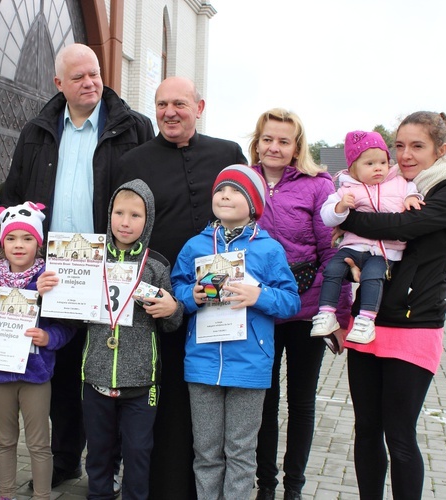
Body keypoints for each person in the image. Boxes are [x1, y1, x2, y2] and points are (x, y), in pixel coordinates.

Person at [0, 42, 154, 489]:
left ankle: (114, 464)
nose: (90, 82)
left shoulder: (132, 127)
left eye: (95, 73)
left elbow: (146, 197)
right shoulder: (38, 130)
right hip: (53, 270)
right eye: (79, 76)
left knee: (114, 364)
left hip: (110, 266)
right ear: (59, 84)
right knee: (62, 364)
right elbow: (13, 193)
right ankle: (65, 460)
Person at [112, 76, 247, 500]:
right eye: (162, 104)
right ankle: (166, 488)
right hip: (160, 300)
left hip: (219, 301)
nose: (170, 112)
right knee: (167, 398)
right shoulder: (133, 160)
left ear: (199, 106)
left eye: (180, 104)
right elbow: (118, 225)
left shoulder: (227, 154)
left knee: (213, 397)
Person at [339, 112, 446, 498]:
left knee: (399, 436)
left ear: (442, 149)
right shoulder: (393, 186)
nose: (405, 155)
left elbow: (400, 228)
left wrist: (347, 217)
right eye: (398, 145)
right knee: (366, 429)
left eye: (417, 146)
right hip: (369, 320)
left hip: (416, 326)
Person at [172, 165, 300, 499]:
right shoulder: (194, 246)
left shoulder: (269, 249)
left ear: (255, 202)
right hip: (202, 364)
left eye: (236, 191)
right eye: (220, 190)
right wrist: (191, 296)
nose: (225, 195)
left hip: (249, 366)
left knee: (241, 454)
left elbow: (290, 302)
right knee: (207, 453)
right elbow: (177, 289)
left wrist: (260, 296)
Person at [51, 179, 183, 499]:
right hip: (95, 376)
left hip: (141, 383)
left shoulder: (156, 266)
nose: (125, 222)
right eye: (119, 213)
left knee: (138, 454)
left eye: (135, 215)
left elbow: (173, 323)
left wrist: (172, 309)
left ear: (148, 219)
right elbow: (69, 315)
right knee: (98, 452)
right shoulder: (88, 258)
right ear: (109, 214)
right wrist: (54, 291)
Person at [248, 108, 351, 500]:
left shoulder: (317, 186)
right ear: (257, 142)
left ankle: (294, 486)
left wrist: (339, 315)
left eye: (283, 141)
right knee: (264, 399)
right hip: (260, 310)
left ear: (296, 147)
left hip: (308, 309)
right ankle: (266, 486)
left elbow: (333, 256)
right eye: (268, 139)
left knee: (301, 400)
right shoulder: (245, 180)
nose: (274, 147)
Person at [0, 202, 76, 500]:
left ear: (38, 243)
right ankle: (5, 494)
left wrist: (47, 337)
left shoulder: (50, 281)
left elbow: (67, 327)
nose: (18, 245)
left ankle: (41, 495)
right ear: (2, 243)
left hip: (35, 375)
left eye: (27, 239)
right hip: (0, 374)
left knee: (39, 444)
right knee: (4, 441)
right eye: (11, 238)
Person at [311, 131, 422, 345]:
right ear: (354, 168)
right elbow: (327, 216)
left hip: (383, 251)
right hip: (353, 246)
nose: (378, 168)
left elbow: (415, 192)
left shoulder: (399, 183)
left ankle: (366, 320)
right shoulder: (346, 188)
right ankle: (326, 313)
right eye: (369, 163)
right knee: (332, 269)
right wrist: (340, 207)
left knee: (373, 276)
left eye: (383, 162)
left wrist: (411, 198)